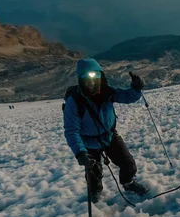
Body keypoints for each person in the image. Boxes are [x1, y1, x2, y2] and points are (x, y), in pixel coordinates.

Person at [63, 58, 148, 203]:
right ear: (80, 79)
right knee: (93, 172)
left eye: (95, 76)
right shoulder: (74, 101)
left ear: (100, 76)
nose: (91, 82)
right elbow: (71, 131)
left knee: (127, 163)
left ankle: (128, 183)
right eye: (86, 77)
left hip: (109, 136)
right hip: (88, 142)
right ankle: (95, 191)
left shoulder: (107, 91)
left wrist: (136, 88)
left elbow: (127, 97)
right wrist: (80, 152)